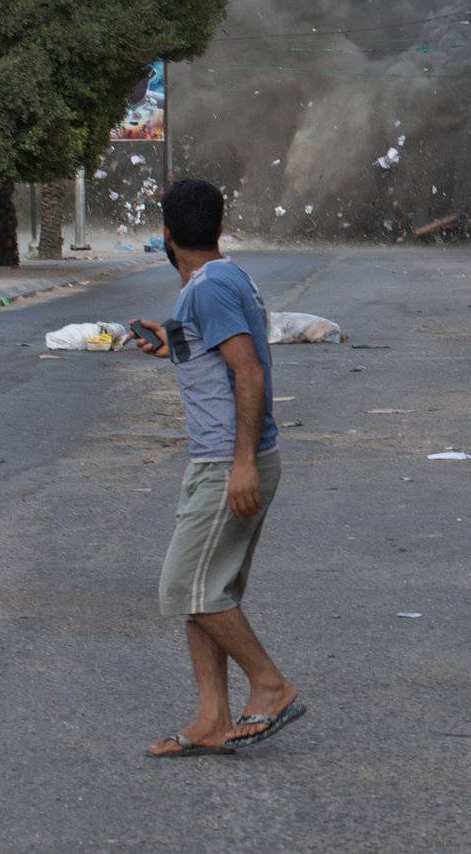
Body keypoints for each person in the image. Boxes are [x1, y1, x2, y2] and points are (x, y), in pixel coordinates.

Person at [132, 180, 303, 757]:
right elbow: (215, 348)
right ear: (220, 227)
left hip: (228, 462)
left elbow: (248, 372)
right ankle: (211, 718)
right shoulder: (222, 280)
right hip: (220, 459)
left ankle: (270, 684)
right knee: (206, 590)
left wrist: (242, 465)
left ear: (166, 237)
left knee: (188, 586)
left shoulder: (209, 290)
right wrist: (170, 341)